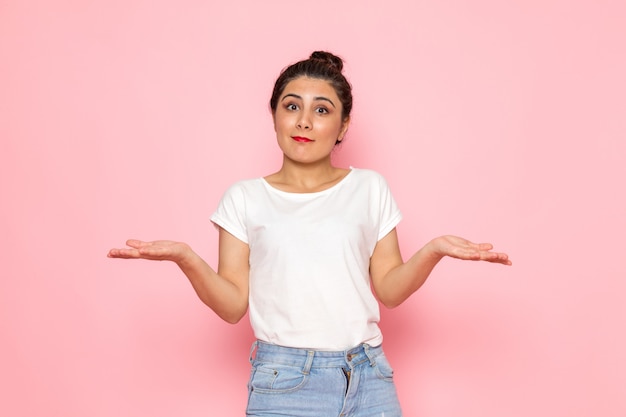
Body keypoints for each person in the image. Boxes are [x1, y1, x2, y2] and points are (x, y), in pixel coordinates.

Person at [108, 51, 511, 417]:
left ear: (342, 126)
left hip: (369, 377)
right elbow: (232, 306)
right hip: (284, 383)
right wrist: (187, 258)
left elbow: (388, 289)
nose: (304, 120)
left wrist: (433, 250)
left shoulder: (369, 188)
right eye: (292, 106)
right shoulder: (245, 198)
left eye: (322, 109)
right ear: (275, 117)